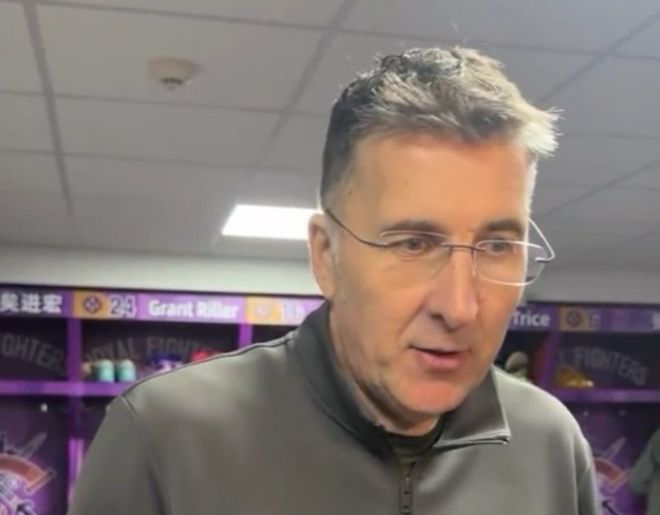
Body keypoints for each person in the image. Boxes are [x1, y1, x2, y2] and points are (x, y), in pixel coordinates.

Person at [68, 47, 600, 515]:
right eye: (413, 244)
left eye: (497, 246)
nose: (460, 307)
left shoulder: (550, 444)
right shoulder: (165, 436)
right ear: (326, 256)